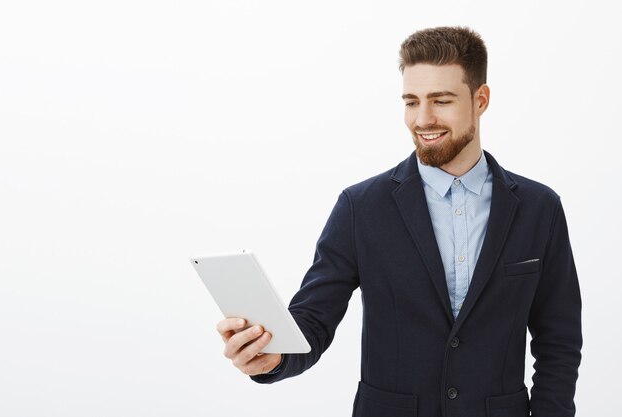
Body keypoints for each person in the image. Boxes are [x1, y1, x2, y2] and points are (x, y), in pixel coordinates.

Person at [216, 26, 582, 417]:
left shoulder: (540, 208)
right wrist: (273, 357)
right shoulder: (361, 207)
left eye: (441, 101)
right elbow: (313, 320)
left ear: (481, 100)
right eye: (411, 102)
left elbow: (558, 340)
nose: (422, 119)